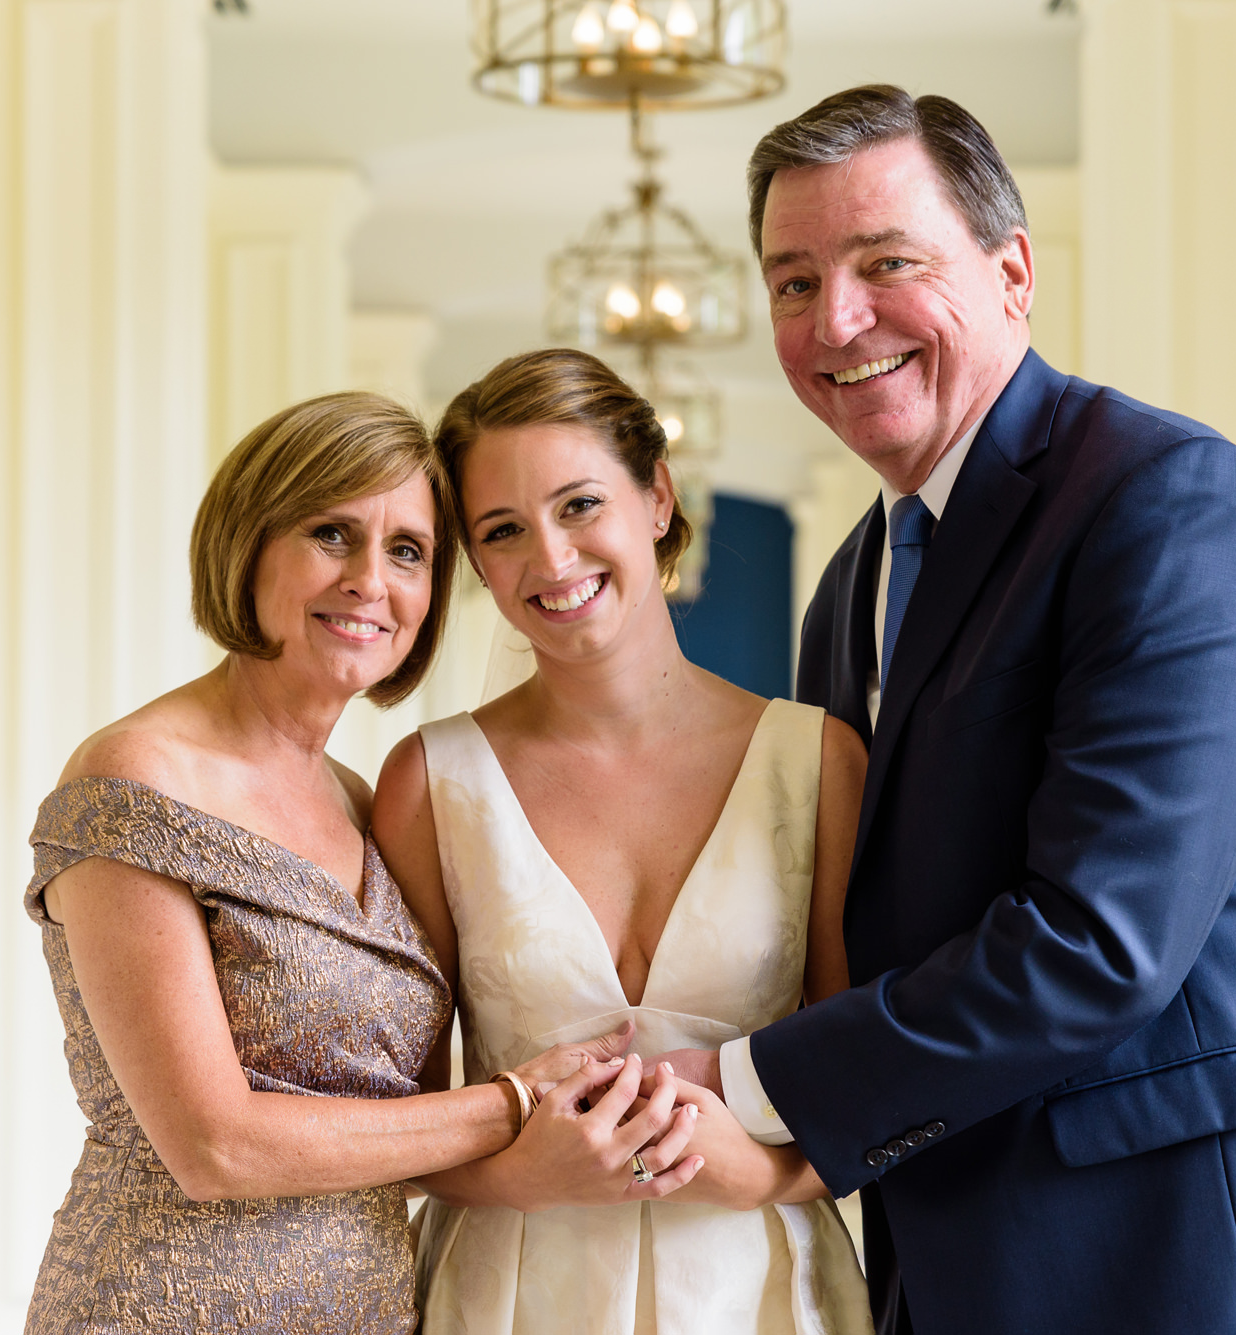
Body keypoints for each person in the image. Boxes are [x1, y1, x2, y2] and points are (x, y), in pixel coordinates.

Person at [651, 84, 1236, 1335]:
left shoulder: (1168, 501)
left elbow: (1097, 939)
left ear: (1011, 270)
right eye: (792, 282)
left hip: (1186, 1253)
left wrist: (743, 1083)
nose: (835, 319)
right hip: (954, 1260)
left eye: (885, 262)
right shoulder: (844, 588)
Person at [20, 391, 702, 1335]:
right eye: (332, 534)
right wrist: (513, 1102)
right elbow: (215, 1145)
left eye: (408, 552)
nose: (370, 581)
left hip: (372, 1307)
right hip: (164, 1306)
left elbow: (391, 1123)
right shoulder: (139, 774)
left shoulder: (358, 797)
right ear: (247, 543)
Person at [373, 349, 874, 1335]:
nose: (551, 560)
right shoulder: (430, 783)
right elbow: (399, 1118)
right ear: (472, 560)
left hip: (761, 1288)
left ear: (655, 498)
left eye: (578, 505)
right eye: (502, 530)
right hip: (510, 1294)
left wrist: (761, 1170)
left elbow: (869, 1080)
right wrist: (517, 1173)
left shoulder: (814, 762)